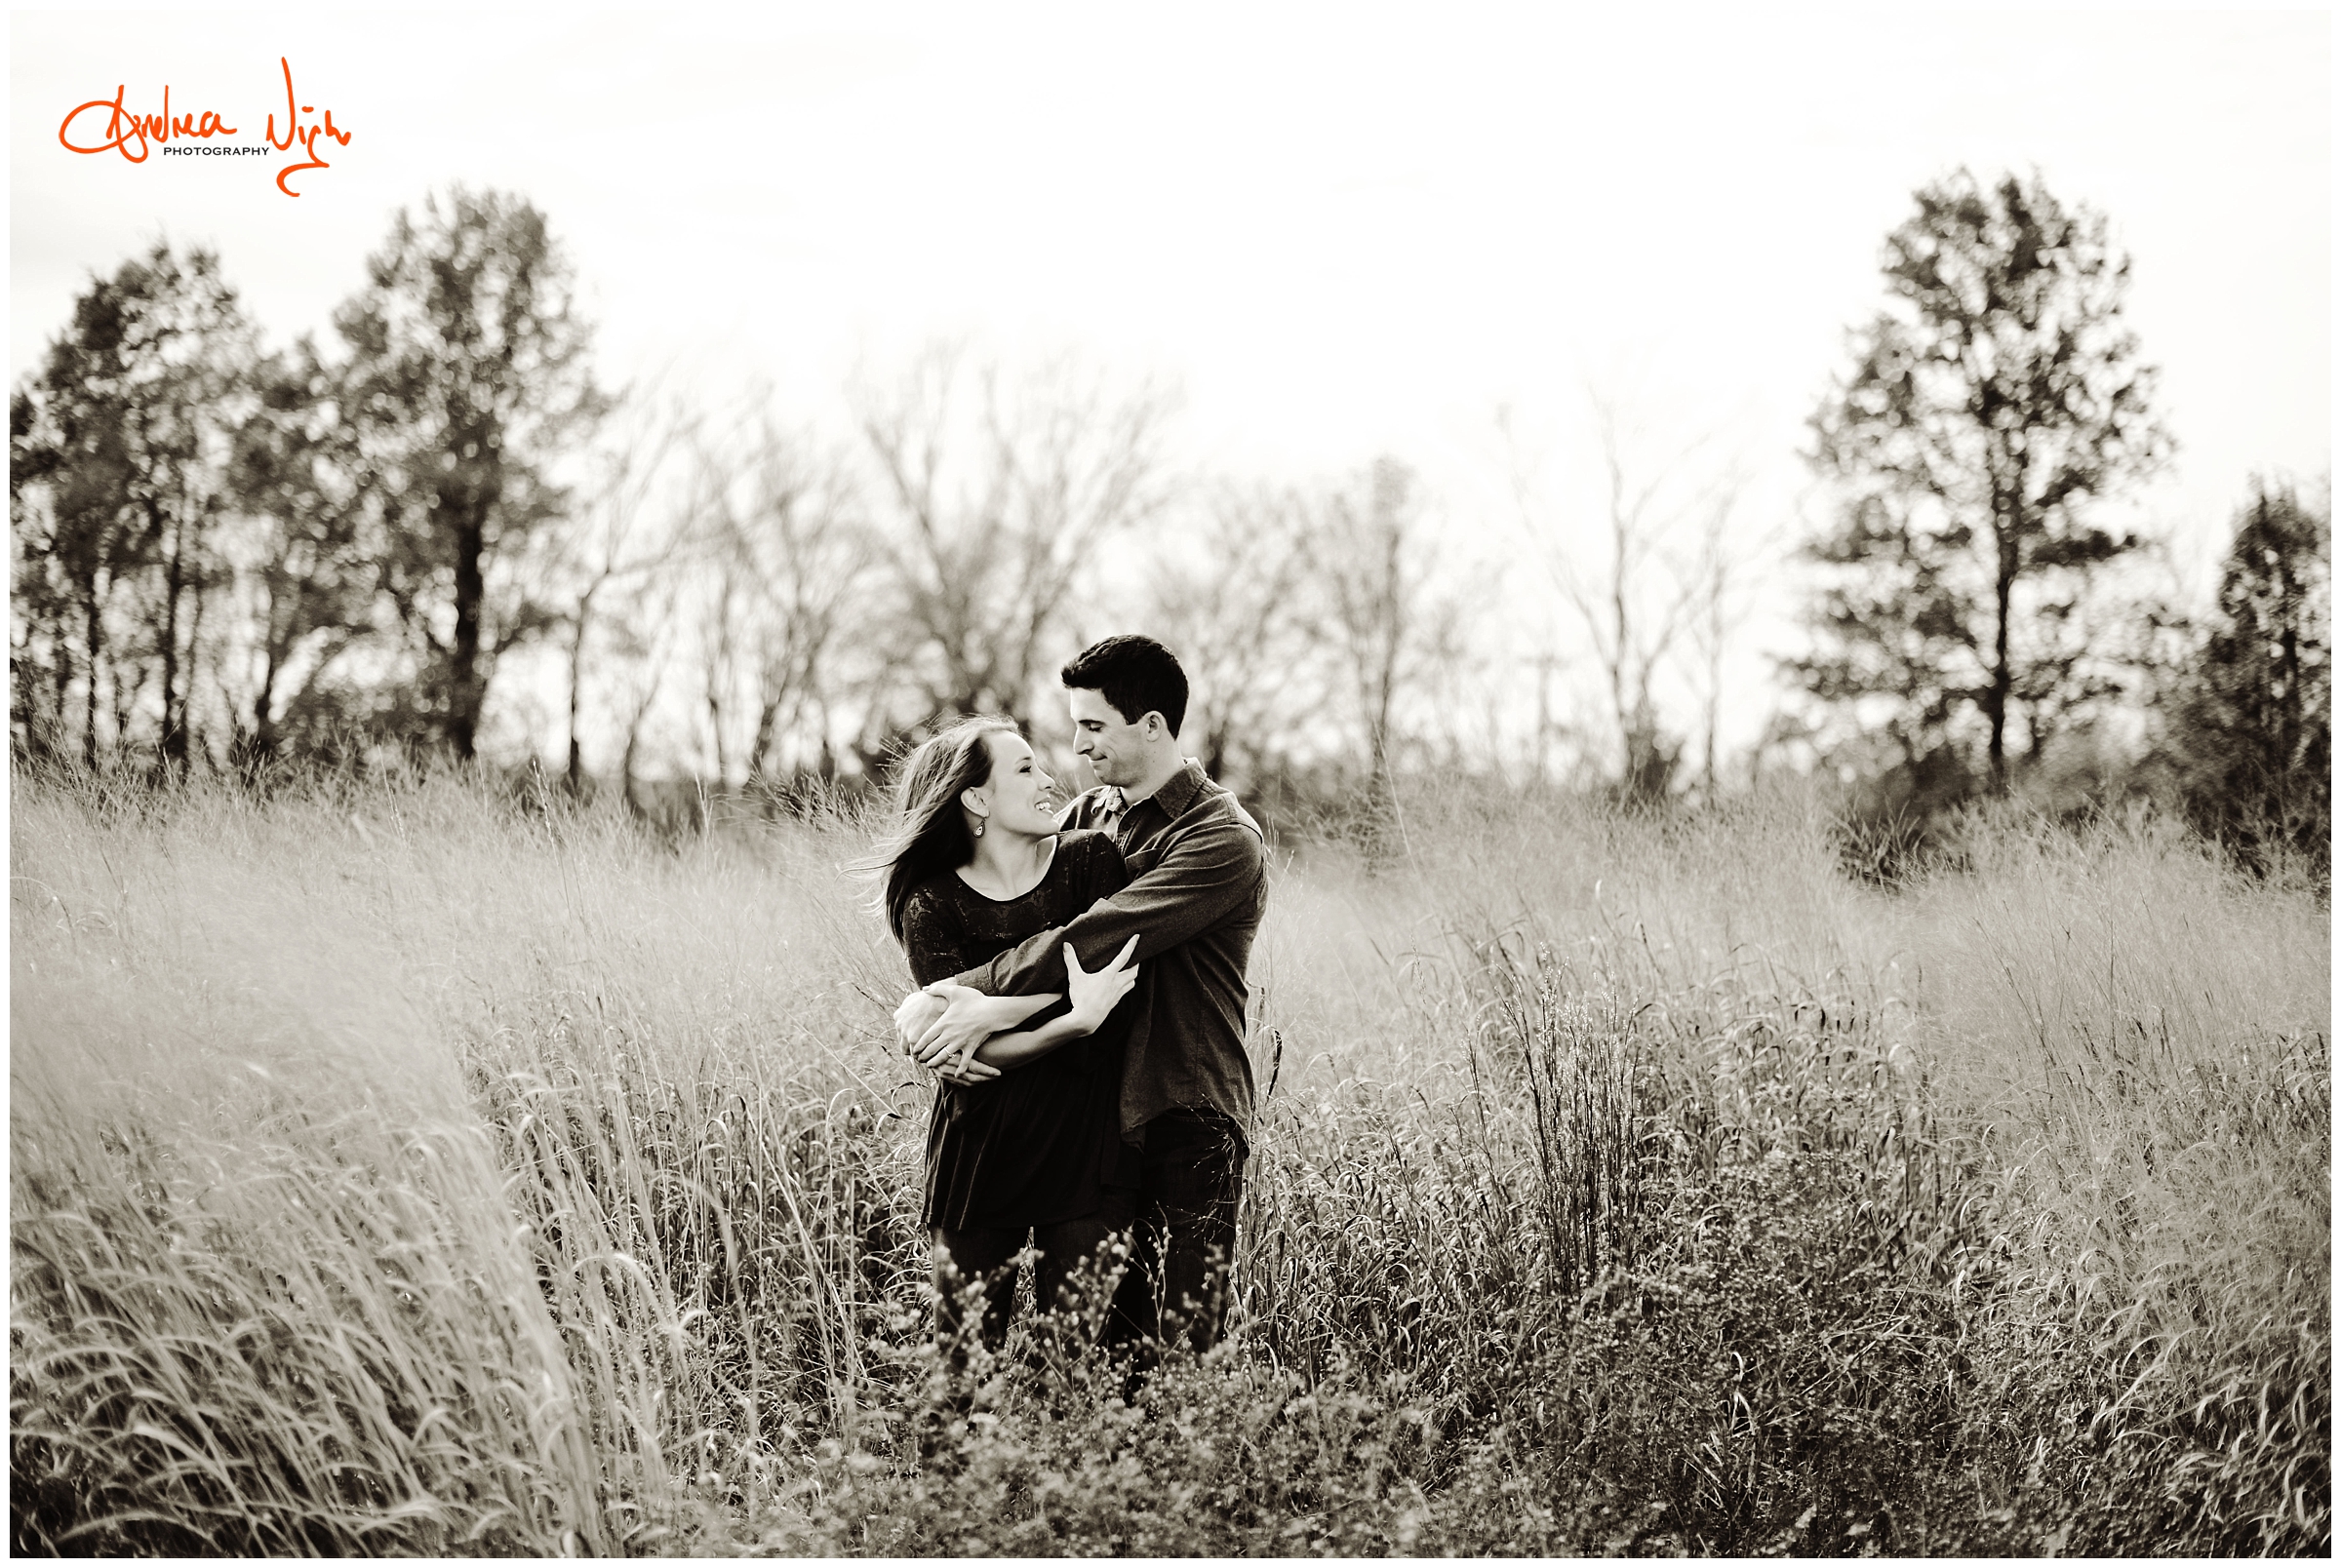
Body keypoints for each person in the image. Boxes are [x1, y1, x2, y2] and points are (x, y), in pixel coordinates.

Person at [899, 636, 1267, 1362]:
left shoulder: (1223, 839)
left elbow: (1099, 937)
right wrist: (966, 1013)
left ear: (1152, 726)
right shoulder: (1090, 817)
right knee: (1101, 1355)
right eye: (1076, 725)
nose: (1077, 745)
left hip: (1183, 1112)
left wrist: (967, 997)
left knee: (1176, 1351)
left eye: (1094, 726)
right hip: (1098, 1124)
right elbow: (1024, 906)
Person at [873, 716, 1146, 1357]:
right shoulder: (930, 904)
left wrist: (994, 1011)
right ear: (977, 798)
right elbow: (974, 1054)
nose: (1050, 780)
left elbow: (1115, 980)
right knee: (964, 1367)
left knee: (1075, 1367)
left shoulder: (1089, 861)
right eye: (1026, 768)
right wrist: (1071, 1021)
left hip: (1085, 1146)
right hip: (980, 1150)